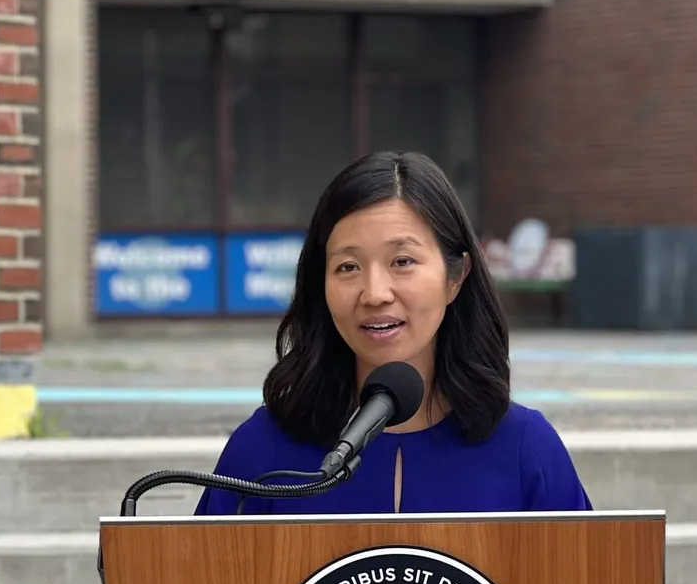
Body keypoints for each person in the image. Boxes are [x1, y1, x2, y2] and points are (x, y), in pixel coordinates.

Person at [195, 151, 592, 515]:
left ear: (456, 276)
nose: (375, 293)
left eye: (402, 261)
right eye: (348, 267)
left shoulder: (526, 449)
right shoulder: (261, 452)